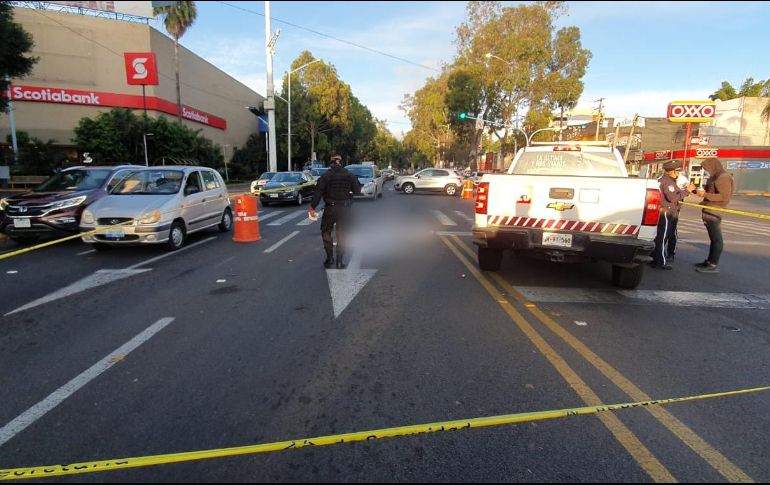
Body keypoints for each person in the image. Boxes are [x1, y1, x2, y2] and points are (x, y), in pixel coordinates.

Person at [309, 155, 362, 269]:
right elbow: (358, 190)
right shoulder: (349, 175)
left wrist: (312, 207)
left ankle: (329, 259)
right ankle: (339, 261)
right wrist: (349, 196)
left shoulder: (325, 176)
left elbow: (318, 193)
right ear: (341, 163)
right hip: (344, 209)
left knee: (326, 231)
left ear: (331, 163)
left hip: (330, 209)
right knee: (342, 235)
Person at [650, 160, 694, 270]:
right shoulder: (667, 182)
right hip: (666, 211)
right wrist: (687, 191)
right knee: (662, 237)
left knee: (660, 236)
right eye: (677, 172)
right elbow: (672, 198)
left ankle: (655, 258)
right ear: (672, 172)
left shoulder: (662, 180)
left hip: (663, 210)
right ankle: (660, 261)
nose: (678, 174)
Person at [693, 157, 734, 274]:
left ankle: (713, 264)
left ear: (713, 166)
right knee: (713, 238)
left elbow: (724, 197)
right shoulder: (714, 176)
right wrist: (695, 190)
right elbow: (708, 193)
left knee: (716, 239)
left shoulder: (723, 177)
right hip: (709, 209)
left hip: (715, 211)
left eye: (706, 168)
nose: (706, 171)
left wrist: (704, 194)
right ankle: (709, 261)